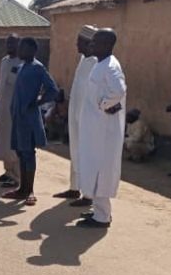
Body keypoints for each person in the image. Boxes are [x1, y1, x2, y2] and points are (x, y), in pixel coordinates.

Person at [76, 29, 127, 229]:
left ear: (106, 44)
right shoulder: (101, 64)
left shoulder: (111, 66)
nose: (91, 45)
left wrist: (104, 105)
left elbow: (119, 90)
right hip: (94, 128)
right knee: (94, 168)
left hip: (104, 130)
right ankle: (99, 211)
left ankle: (103, 217)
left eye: (95, 42)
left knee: (102, 170)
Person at [0, 38, 58, 207]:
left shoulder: (37, 68)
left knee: (28, 153)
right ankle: (22, 188)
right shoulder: (22, 66)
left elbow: (53, 90)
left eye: (23, 48)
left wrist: (38, 102)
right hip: (17, 116)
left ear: (32, 51)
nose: (19, 51)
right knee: (20, 151)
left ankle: (30, 190)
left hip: (29, 118)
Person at [54, 25, 97, 205]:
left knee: (87, 154)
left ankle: (88, 195)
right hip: (75, 115)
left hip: (88, 119)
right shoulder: (83, 59)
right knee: (75, 152)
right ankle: (74, 188)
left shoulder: (95, 63)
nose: (76, 45)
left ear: (88, 44)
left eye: (79, 42)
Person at [0, 34, 23, 188]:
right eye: (8, 43)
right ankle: (7, 172)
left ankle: (17, 177)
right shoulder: (4, 61)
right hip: (3, 108)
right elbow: (0, 85)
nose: (9, 46)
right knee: (3, 141)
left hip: (15, 110)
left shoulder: (23, 63)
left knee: (13, 143)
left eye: (13, 43)